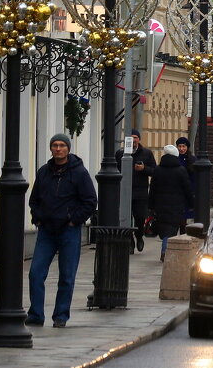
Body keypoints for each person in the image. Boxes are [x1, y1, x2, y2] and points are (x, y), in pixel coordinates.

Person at [27, 133, 97, 328]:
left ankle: (61, 315)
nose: (58, 149)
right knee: (35, 273)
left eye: (61, 145)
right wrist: (38, 218)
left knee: (66, 276)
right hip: (46, 231)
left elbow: (90, 201)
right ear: (51, 149)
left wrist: (74, 220)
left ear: (68, 148)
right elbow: (34, 200)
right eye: (55, 145)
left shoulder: (79, 173)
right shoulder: (43, 172)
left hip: (69, 231)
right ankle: (35, 315)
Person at [148, 144, 194, 262]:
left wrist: (150, 205)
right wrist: (191, 203)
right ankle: (166, 251)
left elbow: (152, 189)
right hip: (177, 205)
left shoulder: (158, 170)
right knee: (172, 229)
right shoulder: (181, 170)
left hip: (160, 205)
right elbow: (187, 188)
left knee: (165, 229)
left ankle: (166, 250)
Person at [114, 129, 156, 252]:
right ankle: (129, 242)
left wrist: (144, 169)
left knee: (140, 217)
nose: (133, 140)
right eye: (131, 137)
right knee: (125, 218)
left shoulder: (146, 153)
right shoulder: (120, 153)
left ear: (139, 139)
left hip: (140, 191)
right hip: (124, 190)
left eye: (135, 138)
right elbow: (115, 169)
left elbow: (154, 171)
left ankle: (139, 236)